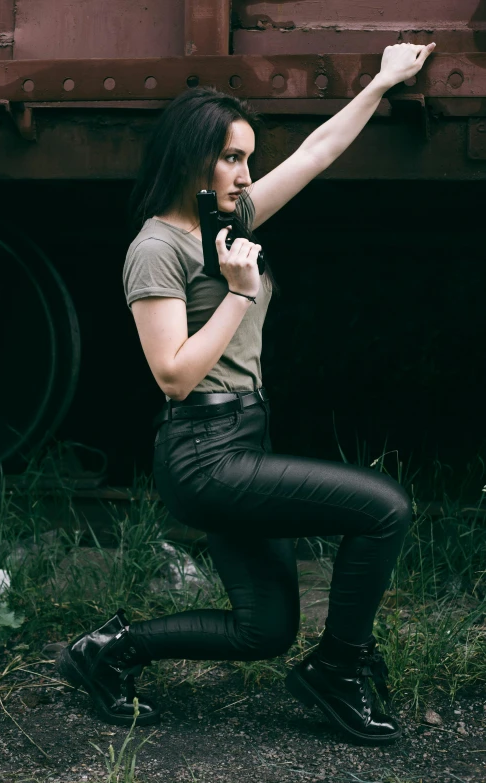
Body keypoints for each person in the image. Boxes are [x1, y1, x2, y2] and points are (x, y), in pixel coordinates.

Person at [58, 41, 436, 744]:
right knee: (384, 509)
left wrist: (382, 82)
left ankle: (109, 651)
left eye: (248, 159)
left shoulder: (229, 222)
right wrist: (238, 294)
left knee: (263, 628)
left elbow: (318, 152)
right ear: (191, 156)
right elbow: (171, 372)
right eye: (232, 157)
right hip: (205, 456)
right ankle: (338, 669)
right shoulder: (157, 247)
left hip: (243, 439)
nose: (244, 173)